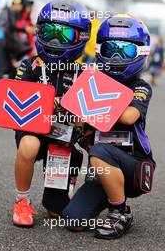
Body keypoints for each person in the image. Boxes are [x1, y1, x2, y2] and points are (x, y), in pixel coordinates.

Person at [63, 14, 156, 240]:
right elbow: (80, 123)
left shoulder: (140, 86)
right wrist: (79, 122)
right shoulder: (92, 81)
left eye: (125, 50)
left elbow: (129, 116)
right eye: (111, 48)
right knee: (73, 221)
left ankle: (120, 211)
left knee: (99, 152)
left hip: (133, 165)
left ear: (141, 53)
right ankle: (109, 196)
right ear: (99, 50)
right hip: (102, 171)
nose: (116, 56)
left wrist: (88, 102)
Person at [13, 0, 91, 227]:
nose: (56, 39)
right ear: (39, 31)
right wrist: (61, 103)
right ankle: (22, 201)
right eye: (49, 32)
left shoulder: (85, 72)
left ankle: (70, 183)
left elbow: (88, 117)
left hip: (65, 138)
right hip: (34, 129)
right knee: (28, 145)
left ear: (82, 37)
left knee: (56, 211)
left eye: (64, 34)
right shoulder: (28, 66)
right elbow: (18, 108)